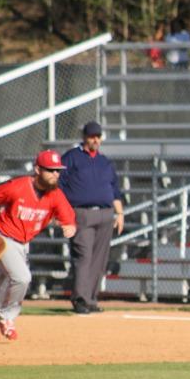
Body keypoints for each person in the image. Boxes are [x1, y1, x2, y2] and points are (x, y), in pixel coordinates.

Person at [0, 150, 77, 342]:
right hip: (3, 239)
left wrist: (70, 227)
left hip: (24, 245)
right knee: (22, 278)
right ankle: (6, 317)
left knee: (5, 282)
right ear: (37, 169)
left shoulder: (55, 195)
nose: (55, 174)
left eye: (58, 170)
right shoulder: (17, 187)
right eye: (50, 170)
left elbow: (68, 218)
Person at [59, 121, 124, 314]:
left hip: (105, 214)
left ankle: (91, 299)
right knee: (83, 256)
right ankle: (80, 299)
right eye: (91, 136)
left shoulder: (105, 162)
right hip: (81, 214)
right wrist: (61, 212)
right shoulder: (72, 158)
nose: (95, 140)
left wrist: (119, 213)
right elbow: (58, 185)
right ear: (84, 137)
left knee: (99, 259)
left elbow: (115, 190)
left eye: (98, 136)